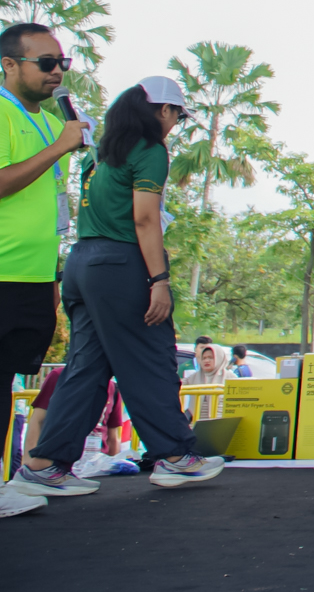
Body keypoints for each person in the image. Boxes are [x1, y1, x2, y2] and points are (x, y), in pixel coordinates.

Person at [11, 78, 223, 495]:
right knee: (150, 359)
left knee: (86, 368)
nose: (176, 123)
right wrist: (159, 280)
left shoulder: (101, 155)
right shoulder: (150, 150)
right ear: (162, 110)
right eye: (178, 115)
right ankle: (175, 457)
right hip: (120, 265)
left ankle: (44, 465)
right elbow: (144, 218)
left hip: (81, 263)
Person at [0, 23, 87, 397]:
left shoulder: (55, 125)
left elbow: (53, 206)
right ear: (10, 64)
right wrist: (59, 147)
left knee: (6, 387)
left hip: (35, 281)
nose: (57, 71)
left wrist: (52, 277)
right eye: (46, 62)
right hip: (2, 274)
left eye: (62, 63)